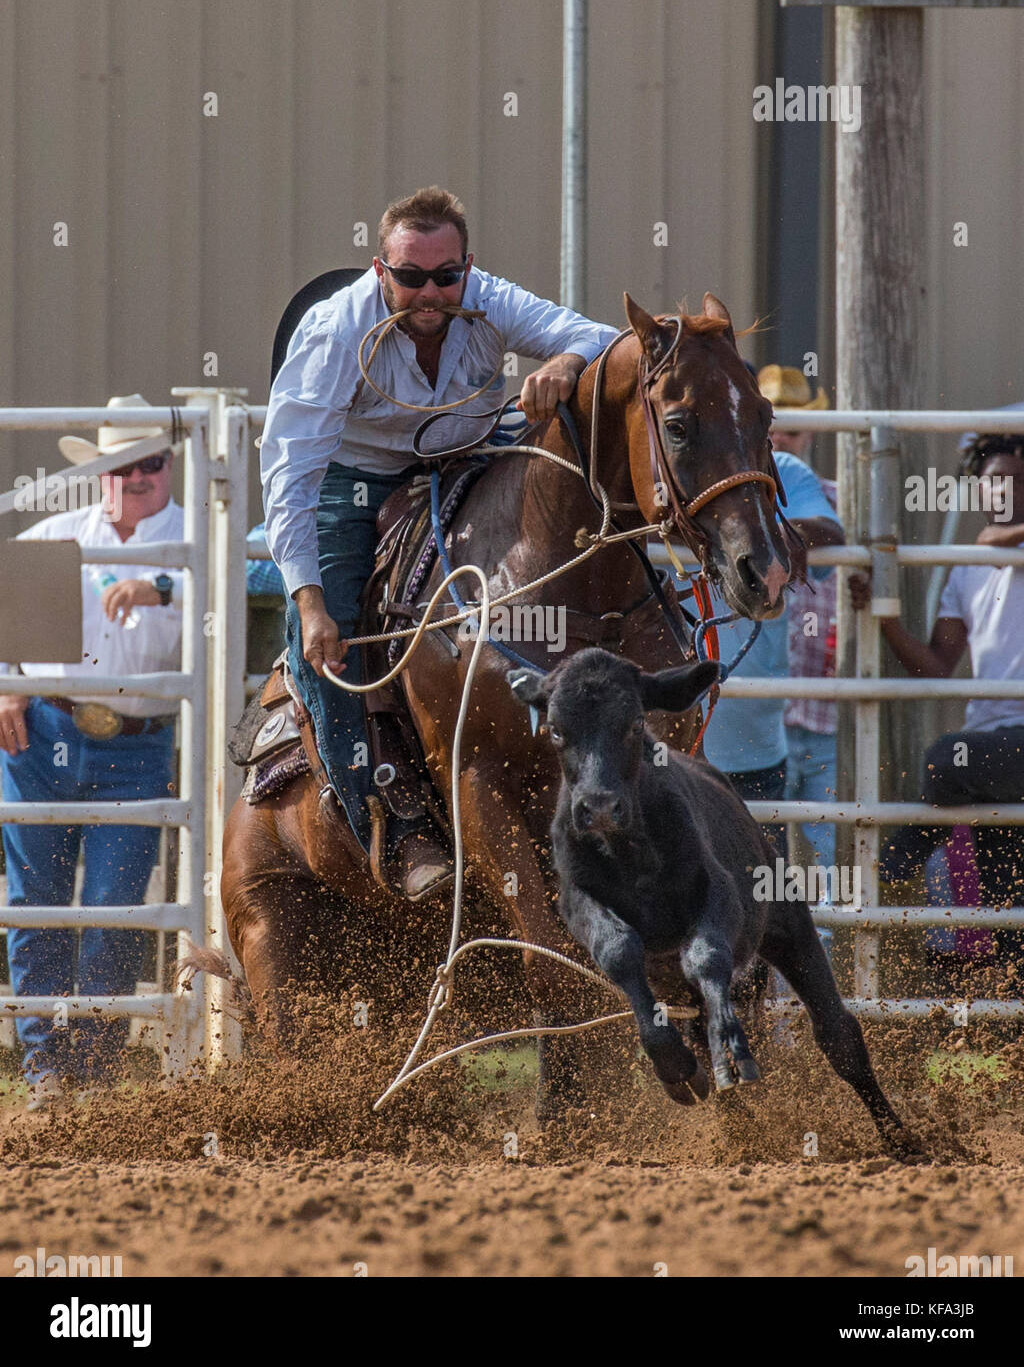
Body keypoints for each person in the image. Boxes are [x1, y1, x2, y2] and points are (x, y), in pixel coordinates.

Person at [260, 185, 618, 901]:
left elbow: (607, 341)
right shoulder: (335, 329)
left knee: (579, 524)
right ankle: (389, 812)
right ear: (380, 269)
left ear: (467, 267)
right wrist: (308, 604)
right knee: (334, 645)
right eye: (411, 276)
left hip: (471, 458)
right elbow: (291, 470)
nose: (430, 291)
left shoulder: (489, 300)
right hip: (352, 478)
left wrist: (565, 365)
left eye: (445, 275)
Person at [0, 395, 184, 1111]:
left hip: (133, 749)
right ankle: (49, 1073)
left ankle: (95, 1071)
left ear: (167, 468)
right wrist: (7, 686)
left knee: (114, 913)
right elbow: (8, 619)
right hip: (44, 734)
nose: (137, 476)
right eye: (123, 464)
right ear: (101, 471)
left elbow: (238, 580)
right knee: (36, 906)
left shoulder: (193, 538)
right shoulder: (56, 535)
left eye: (151, 463)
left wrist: (163, 586)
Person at [849, 430, 1024, 979]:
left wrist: (997, 540)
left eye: (1012, 483)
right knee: (1005, 903)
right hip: (994, 752)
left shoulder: (986, 549)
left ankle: (905, 849)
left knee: (943, 760)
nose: (998, 493)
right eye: (990, 484)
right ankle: (1005, 1036)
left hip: (1010, 742)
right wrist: (887, 622)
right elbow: (937, 665)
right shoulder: (966, 564)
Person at [699, 445, 844, 867]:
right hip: (672, 737)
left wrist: (767, 531)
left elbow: (831, 534)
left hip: (753, 742)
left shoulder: (781, 470)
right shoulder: (657, 472)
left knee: (763, 897)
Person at [757, 366, 840, 895]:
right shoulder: (750, 495)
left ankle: (829, 949)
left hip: (825, 692)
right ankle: (782, 965)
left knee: (828, 849)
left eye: (793, 428)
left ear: (810, 433)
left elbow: (850, 558)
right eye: (775, 428)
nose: (782, 438)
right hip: (771, 700)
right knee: (770, 843)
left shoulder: (830, 494)